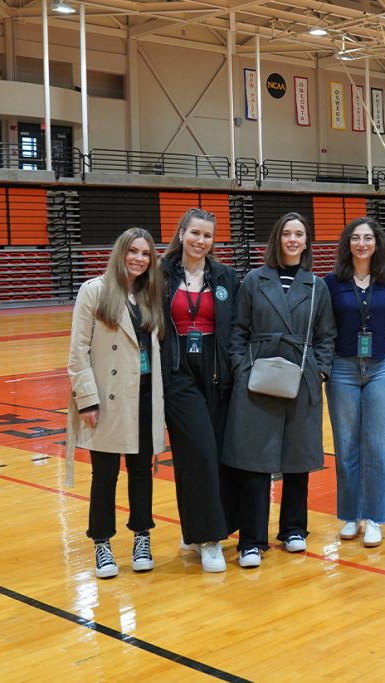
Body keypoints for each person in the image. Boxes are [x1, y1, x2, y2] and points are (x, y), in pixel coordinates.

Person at [222, 213, 336, 568]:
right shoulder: (255, 280)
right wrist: (243, 369)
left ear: (306, 242)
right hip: (259, 378)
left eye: (299, 234)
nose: (292, 239)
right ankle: (252, 540)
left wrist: (319, 371)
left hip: (301, 377)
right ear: (277, 239)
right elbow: (238, 330)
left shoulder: (317, 285)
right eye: (286, 233)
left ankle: (293, 529)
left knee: (297, 457)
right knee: (255, 460)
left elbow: (326, 335)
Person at [66, 227, 166, 579]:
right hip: (107, 399)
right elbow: (77, 352)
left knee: (141, 471)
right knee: (104, 474)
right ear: (120, 252)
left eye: (145, 254)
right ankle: (102, 543)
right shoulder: (94, 291)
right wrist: (87, 401)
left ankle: (142, 537)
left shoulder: (150, 295)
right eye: (133, 251)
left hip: (144, 394)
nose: (139, 259)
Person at [159, 208, 239, 572]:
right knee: (201, 453)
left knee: (210, 457)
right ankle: (210, 540)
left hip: (217, 373)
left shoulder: (224, 277)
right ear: (181, 233)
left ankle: (192, 532)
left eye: (207, 235)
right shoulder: (159, 276)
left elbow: (237, 326)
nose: (200, 241)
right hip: (179, 374)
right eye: (194, 233)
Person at [325, 217, 385, 548]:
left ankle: (376, 518)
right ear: (347, 244)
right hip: (343, 369)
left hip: (380, 367)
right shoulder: (332, 282)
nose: (362, 244)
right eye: (356, 238)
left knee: (380, 446)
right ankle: (351, 515)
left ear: (376, 243)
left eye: (368, 238)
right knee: (346, 447)